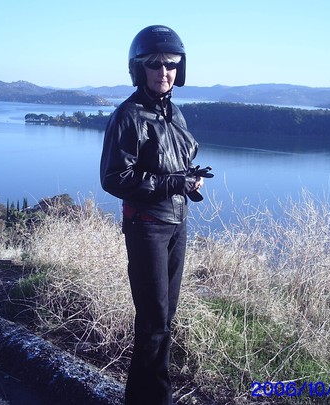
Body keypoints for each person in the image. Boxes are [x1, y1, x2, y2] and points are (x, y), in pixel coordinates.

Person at [100, 25, 212, 405]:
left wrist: (189, 178)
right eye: (155, 64)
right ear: (139, 68)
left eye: (171, 64)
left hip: (177, 223)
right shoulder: (128, 116)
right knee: (153, 322)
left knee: (164, 319)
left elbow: (173, 162)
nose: (164, 72)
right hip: (147, 226)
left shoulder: (174, 113)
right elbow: (115, 178)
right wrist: (171, 183)